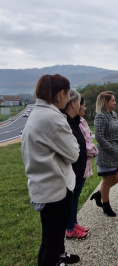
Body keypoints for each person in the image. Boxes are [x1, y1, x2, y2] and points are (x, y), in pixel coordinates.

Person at [21, 74, 80, 265]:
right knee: (50, 243)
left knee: (52, 236)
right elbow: (73, 153)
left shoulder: (37, 112)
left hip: (43, 184)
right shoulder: (53, 118)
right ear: (61, 93)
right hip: (55, 190)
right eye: (69, 94)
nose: (70, 98)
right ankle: (54, 259)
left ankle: (60, 257)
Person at [91, 91, 118, 217]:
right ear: (106, 102)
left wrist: (117, 148)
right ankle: (106, 205)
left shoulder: (114, 114)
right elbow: (99, 136)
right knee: (108, 178)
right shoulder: (100, 116)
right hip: (106, 153)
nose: (115, 102)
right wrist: (111, 148)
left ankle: (99, 194)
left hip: (117, 151)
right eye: (113, 100)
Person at [62, 90, 89, 240]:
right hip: (71, 172)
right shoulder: (66, 122)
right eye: (79, 102)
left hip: (78, 171)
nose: (81, 105)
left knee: (75, 199)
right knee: (70, 200)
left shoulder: (75, 121)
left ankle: (73, 223)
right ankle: (70, 228)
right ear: (73, 104)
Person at [78, 97, 98, 186]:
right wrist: (96, 152)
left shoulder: (82, 120)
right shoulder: (76, 123)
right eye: (84, 106)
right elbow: (87, 146)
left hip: (85, 165)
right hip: (79, 166)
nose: (85, 108)